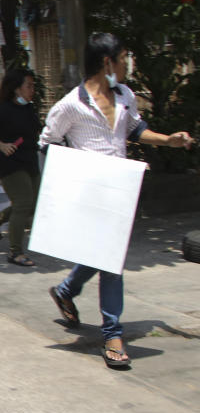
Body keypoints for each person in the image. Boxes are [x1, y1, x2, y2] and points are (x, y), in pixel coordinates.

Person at [41, 33, 193, 368]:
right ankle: (112, 333)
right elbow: (48, 144)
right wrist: (64, 189)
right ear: (106, 62)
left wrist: (169, 140)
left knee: (103, 255)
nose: (127, 63)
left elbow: (135, 130)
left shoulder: (125, 95)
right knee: (111, 261)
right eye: (124, 57)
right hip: (88, 194)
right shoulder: (71, 104)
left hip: (118, 191)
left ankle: (66, 290)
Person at [0, 69, 43, 266]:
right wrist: (1, 145)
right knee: (23, 203)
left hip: (30, 161)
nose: (32, 89)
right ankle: (15, 251)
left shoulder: (30, 109)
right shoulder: (3, 111)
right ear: (16, 89)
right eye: (28, 86)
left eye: (33, 86)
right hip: (11, 164)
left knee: (33, 204)